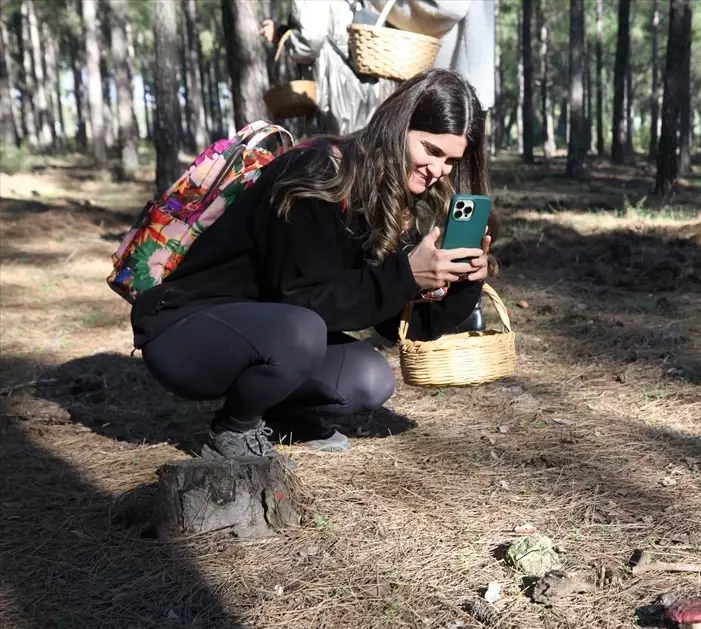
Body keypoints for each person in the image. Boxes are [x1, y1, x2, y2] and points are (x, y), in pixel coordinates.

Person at [130, 70, 495, 465]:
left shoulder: (391, 195)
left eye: (451, 160)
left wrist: (461, 283)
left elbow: (397, 325)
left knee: (370, 379)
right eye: (431, 150)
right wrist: (405, 275)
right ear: (398, 126)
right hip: (186, 330)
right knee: (303, 331)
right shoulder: (318, 173)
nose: (439, 169)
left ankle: (280, 413)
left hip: (273, 332)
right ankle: (234, 427)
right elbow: (303, 300)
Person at [263, 0, 495, 135]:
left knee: (332, 163)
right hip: (365, 79)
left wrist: (283, 35)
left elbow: (310, 40)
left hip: (335, 86)